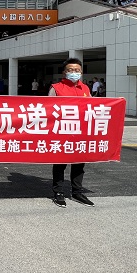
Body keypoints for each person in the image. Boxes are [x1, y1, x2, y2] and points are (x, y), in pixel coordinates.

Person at [49, 58, 94, 207]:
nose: (74, 73)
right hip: (61, 132)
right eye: (70, 70)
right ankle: (58, 192)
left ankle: (77, 192)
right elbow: (48, 109)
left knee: (79, 164)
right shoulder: (56, 88)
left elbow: (92, 107)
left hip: (81, 132)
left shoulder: (85, 88)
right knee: (60, 164)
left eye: (77, 70)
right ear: (64, 72)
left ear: (81, 72)